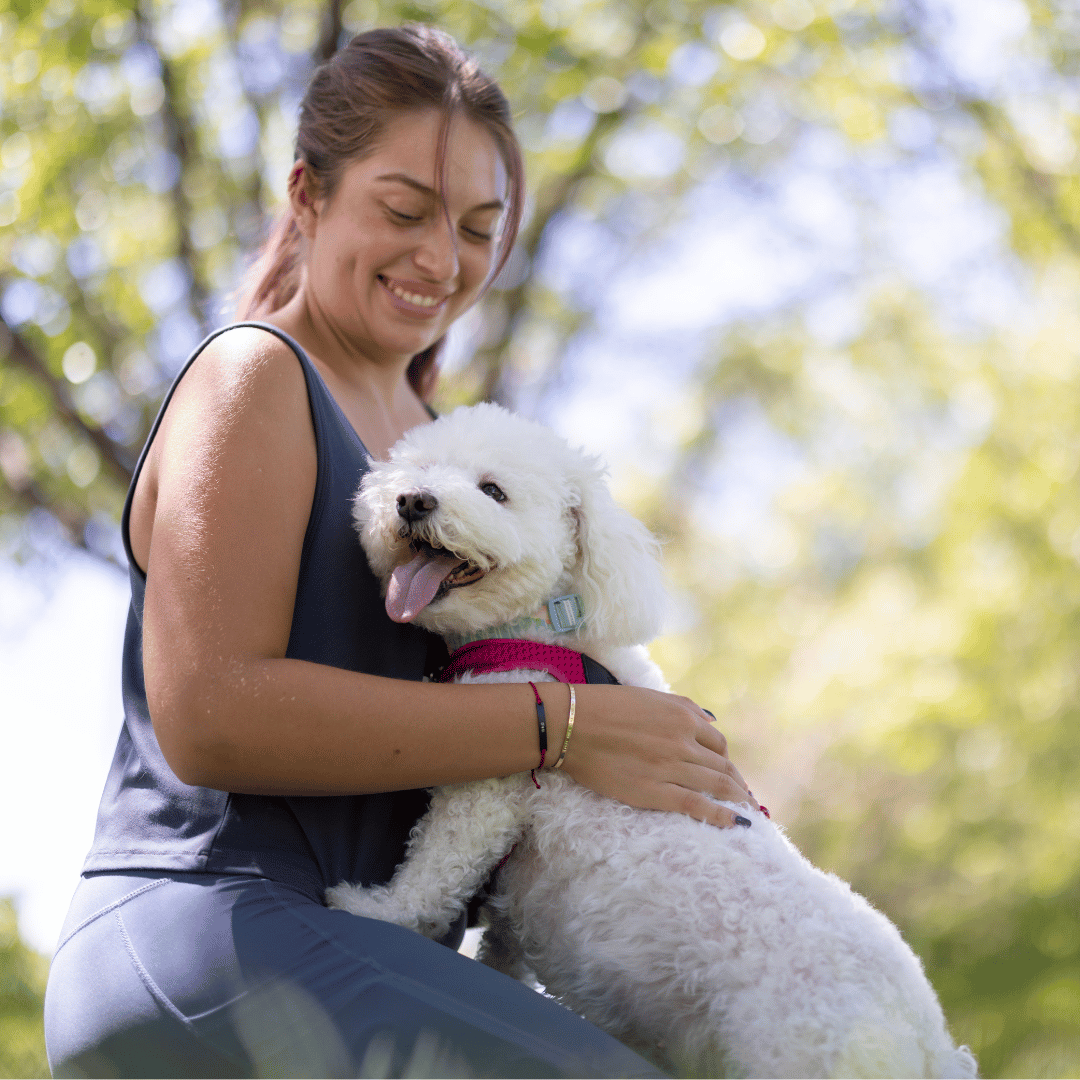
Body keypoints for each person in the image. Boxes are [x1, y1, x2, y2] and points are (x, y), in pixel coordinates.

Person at [43, 25, 758, 1079]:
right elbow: (210, 714)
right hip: (212, 932)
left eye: (478, 227)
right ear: (308, 193)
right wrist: (559, 726)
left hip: (362, 950)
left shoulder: (438, 451)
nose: (442, 259)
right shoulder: (255, 377)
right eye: (404, 210)